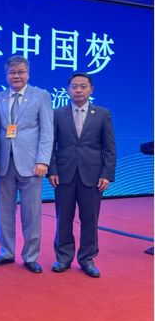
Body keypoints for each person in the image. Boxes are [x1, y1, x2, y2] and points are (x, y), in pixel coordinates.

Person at [0, 55, 53, 273]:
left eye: (20, 72)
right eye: (12, 72)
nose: (16, 76)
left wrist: (43, 160)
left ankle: (31, 256)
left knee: (31, 213)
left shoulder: (41, 96)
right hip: (4, 164)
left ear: (28, 74)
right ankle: (6, 252)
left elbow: (47, 131)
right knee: (4, 212)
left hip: (32, 164)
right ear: (6, 75)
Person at [48, 73, 116, 278]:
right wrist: (52, 170)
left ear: (91, 90)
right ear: (68, 89)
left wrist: (107, 174)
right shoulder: (58, 114)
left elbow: (109, 148)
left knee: (90, 219)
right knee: (63, 218)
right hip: (64, 174)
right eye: (74, 86)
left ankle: (87, 259)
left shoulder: (102, 114)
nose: (78, 90)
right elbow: (50, 145)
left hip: (93, 175)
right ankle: (63, 257)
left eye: (83, 86)